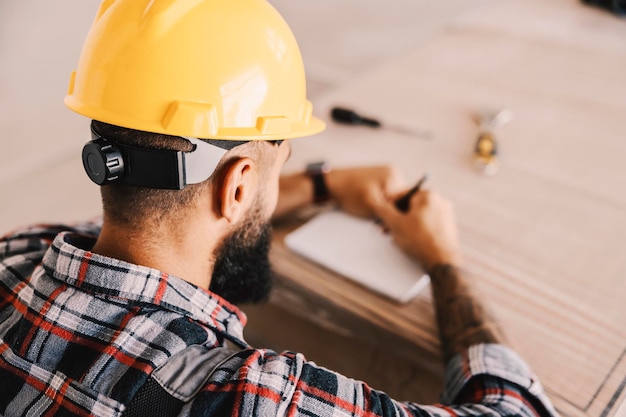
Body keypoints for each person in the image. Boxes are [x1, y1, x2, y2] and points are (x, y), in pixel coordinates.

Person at [0, 0, 558, 416]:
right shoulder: (240, 397)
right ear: (238, 187)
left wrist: (323, 186)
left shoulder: (18, 253)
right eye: (279, 158)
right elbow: (518, 409)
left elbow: (149, 229)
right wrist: (444, 259)